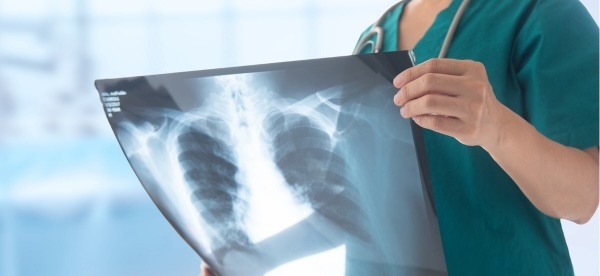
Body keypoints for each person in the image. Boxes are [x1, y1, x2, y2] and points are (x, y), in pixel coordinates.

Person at [203, 0, 599, 275]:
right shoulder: (373, 38)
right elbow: (354, 204)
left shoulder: (541, 15)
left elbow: (583, 198)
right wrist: (253, 258)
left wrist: (496, 127)